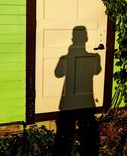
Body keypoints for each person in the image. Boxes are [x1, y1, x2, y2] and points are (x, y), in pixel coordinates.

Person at [52, 26, 101, 156]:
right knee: (88, 136)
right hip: (86, 101)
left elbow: (58, 74)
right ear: (86, 39)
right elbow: (97, 71)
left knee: (64, 135)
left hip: (68, 102)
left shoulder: (65, 58)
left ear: (72, 38)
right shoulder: (94, 58)